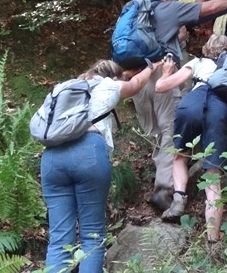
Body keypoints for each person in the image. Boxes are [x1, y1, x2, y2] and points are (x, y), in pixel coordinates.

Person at [127, 0, 227, 211]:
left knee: (158, 131)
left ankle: (164, 177)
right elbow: (210, 7)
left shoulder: (135, 12)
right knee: (169, 130)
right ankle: (165, 192)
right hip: (162, 72)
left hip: (138, 77)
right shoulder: (168, 8)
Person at [41, 58, 160, 273]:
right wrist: (152, 67)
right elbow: (136, 85)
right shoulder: (108, 85)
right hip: (88, 153)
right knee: (92, 235)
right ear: (115, 76)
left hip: (52, 157)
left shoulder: (64, 88)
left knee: (59, 238)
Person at [154, 34, 227, 248]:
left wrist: (166, 73)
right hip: (219, 111)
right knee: (213, 178)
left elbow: (161, 87)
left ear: (206, 49)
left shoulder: (197, 62)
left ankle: (179, 200)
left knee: (181, 157)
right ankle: (213, 240)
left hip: (190, 104)